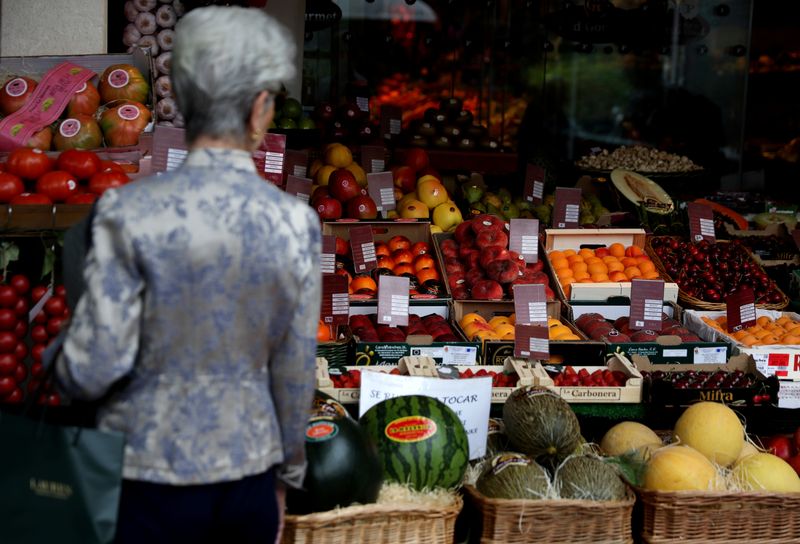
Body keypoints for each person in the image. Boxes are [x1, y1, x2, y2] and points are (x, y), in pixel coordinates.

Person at [51, 6, 321, 543]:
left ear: (184, 102)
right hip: (245, 477)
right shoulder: (293, 222)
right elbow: (295, 373)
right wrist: (287, 475)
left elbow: (91, 368)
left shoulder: (126, 212)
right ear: (261, 109)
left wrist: (55, 357)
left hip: (142, 478)